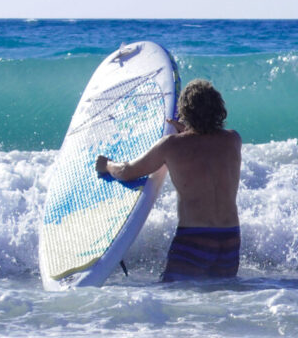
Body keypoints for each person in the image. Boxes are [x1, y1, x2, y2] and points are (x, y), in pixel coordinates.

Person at [96, 78, 242, 282]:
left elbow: (128, 171)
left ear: (185, 111)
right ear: (219, 108)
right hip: (229, 241)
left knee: (176, 302)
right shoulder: (233, 140)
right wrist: (188, 129)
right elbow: (205, 145)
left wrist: (107, 164)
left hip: (195, 240)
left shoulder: (172, 145)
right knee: (218, 302)